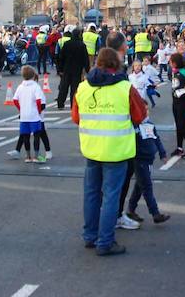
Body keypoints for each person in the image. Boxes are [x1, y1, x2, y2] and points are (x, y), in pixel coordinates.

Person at [72, 47, 146, 256]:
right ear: (116, 64)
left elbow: (76, 117)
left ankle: (90, 236)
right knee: (111, 196)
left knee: (91, 193)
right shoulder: (125, 87)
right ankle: (105, 241)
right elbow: (139, 115)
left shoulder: (83, 87)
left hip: (92, 148)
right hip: (116, 149)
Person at [125, 104, 170, 225]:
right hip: (139, 159)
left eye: (146, 109)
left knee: (140, 186)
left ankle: (131, 209)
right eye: (142, 109)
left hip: (149, 159)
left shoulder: (149, 124)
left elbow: (156, 139)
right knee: (146, 186)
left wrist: (162, 153)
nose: (145, 112)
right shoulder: (134, 125)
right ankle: (155, 213)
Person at [10, 66, 45, 163]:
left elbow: (15, 100)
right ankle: (36, 156)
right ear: (33, 75)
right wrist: (38, 111)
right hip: (34, 115)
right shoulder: (35, 86)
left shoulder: (20, 87)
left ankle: (28, 156)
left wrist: (20, 109)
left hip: (24, 116)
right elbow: (38, 101)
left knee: (26, 136)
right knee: (36, 135)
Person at [58, 27, 90, 109]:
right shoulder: (82, 45)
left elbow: (61, 57)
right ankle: (73, 105)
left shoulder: (67, 44)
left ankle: (60, 103)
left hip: (67, 68)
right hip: (77, 70)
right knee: (74, 88)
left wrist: (60, 69)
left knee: (64, 87)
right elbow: (85, 59)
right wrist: (87, 70)